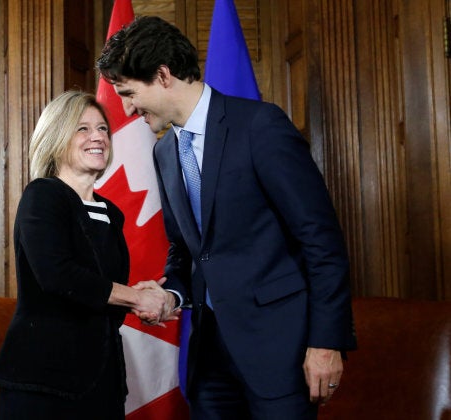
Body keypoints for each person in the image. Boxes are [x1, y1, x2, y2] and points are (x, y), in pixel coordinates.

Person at [97, 16, 357, 419]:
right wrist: (173, 294)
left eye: (130, 93)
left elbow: (320, 239)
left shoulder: (259, 126)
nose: (128, 109)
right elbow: (185, 252)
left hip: (279, 354)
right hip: (210, 361)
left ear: (163, 75)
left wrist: (326, 342)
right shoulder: (165, 153)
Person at [0, 90, 176, 420]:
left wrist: (147, 299)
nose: (98, 137)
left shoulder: (110, 211)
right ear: (57, 137)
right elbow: (58, 276)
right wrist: (135, 297)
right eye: (83, 128)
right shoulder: (43, 195)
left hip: (102, 378)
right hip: (46, 381)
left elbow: (100, 289)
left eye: (103, 128)